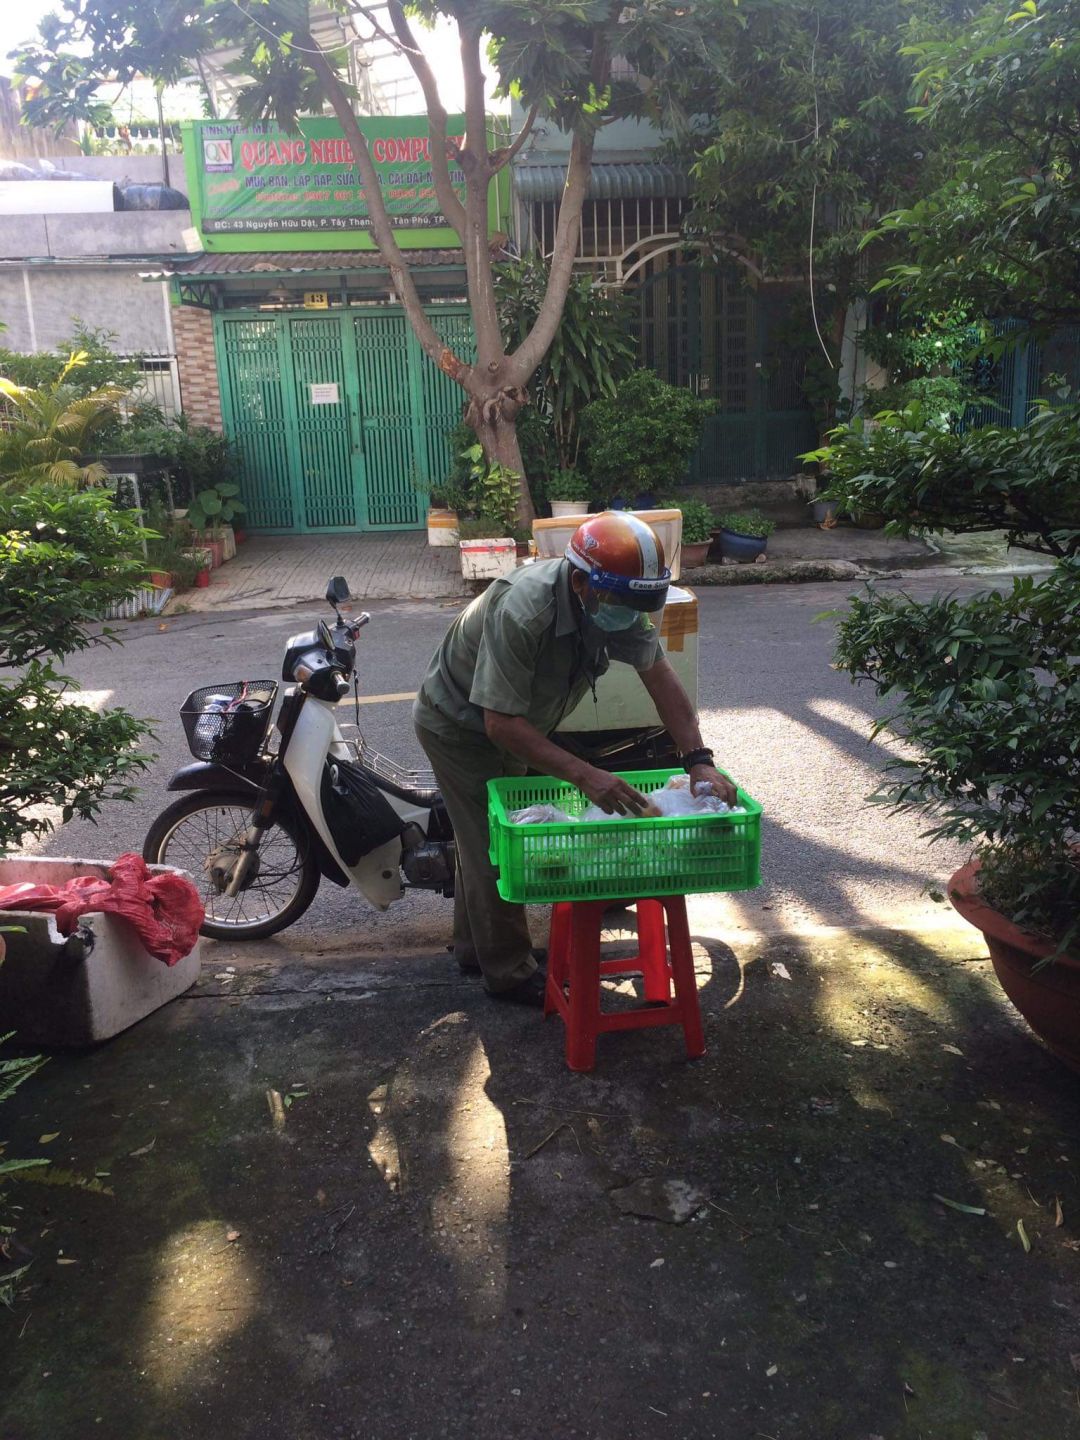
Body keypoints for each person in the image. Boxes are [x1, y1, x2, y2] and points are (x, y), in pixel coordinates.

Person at [413, 511, 737, 1006]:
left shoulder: (614, 601)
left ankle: (475, 949)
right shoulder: (524, 611)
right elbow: (499, 723)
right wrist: (586, 776)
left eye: (640, 604)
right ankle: (508, 971)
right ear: (581, 582)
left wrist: (698, 758)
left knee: (482, 839)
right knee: (492, 844)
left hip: (520, 722)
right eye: (624, 603)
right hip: (459, 725)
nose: (631, 615)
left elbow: (660, 677)